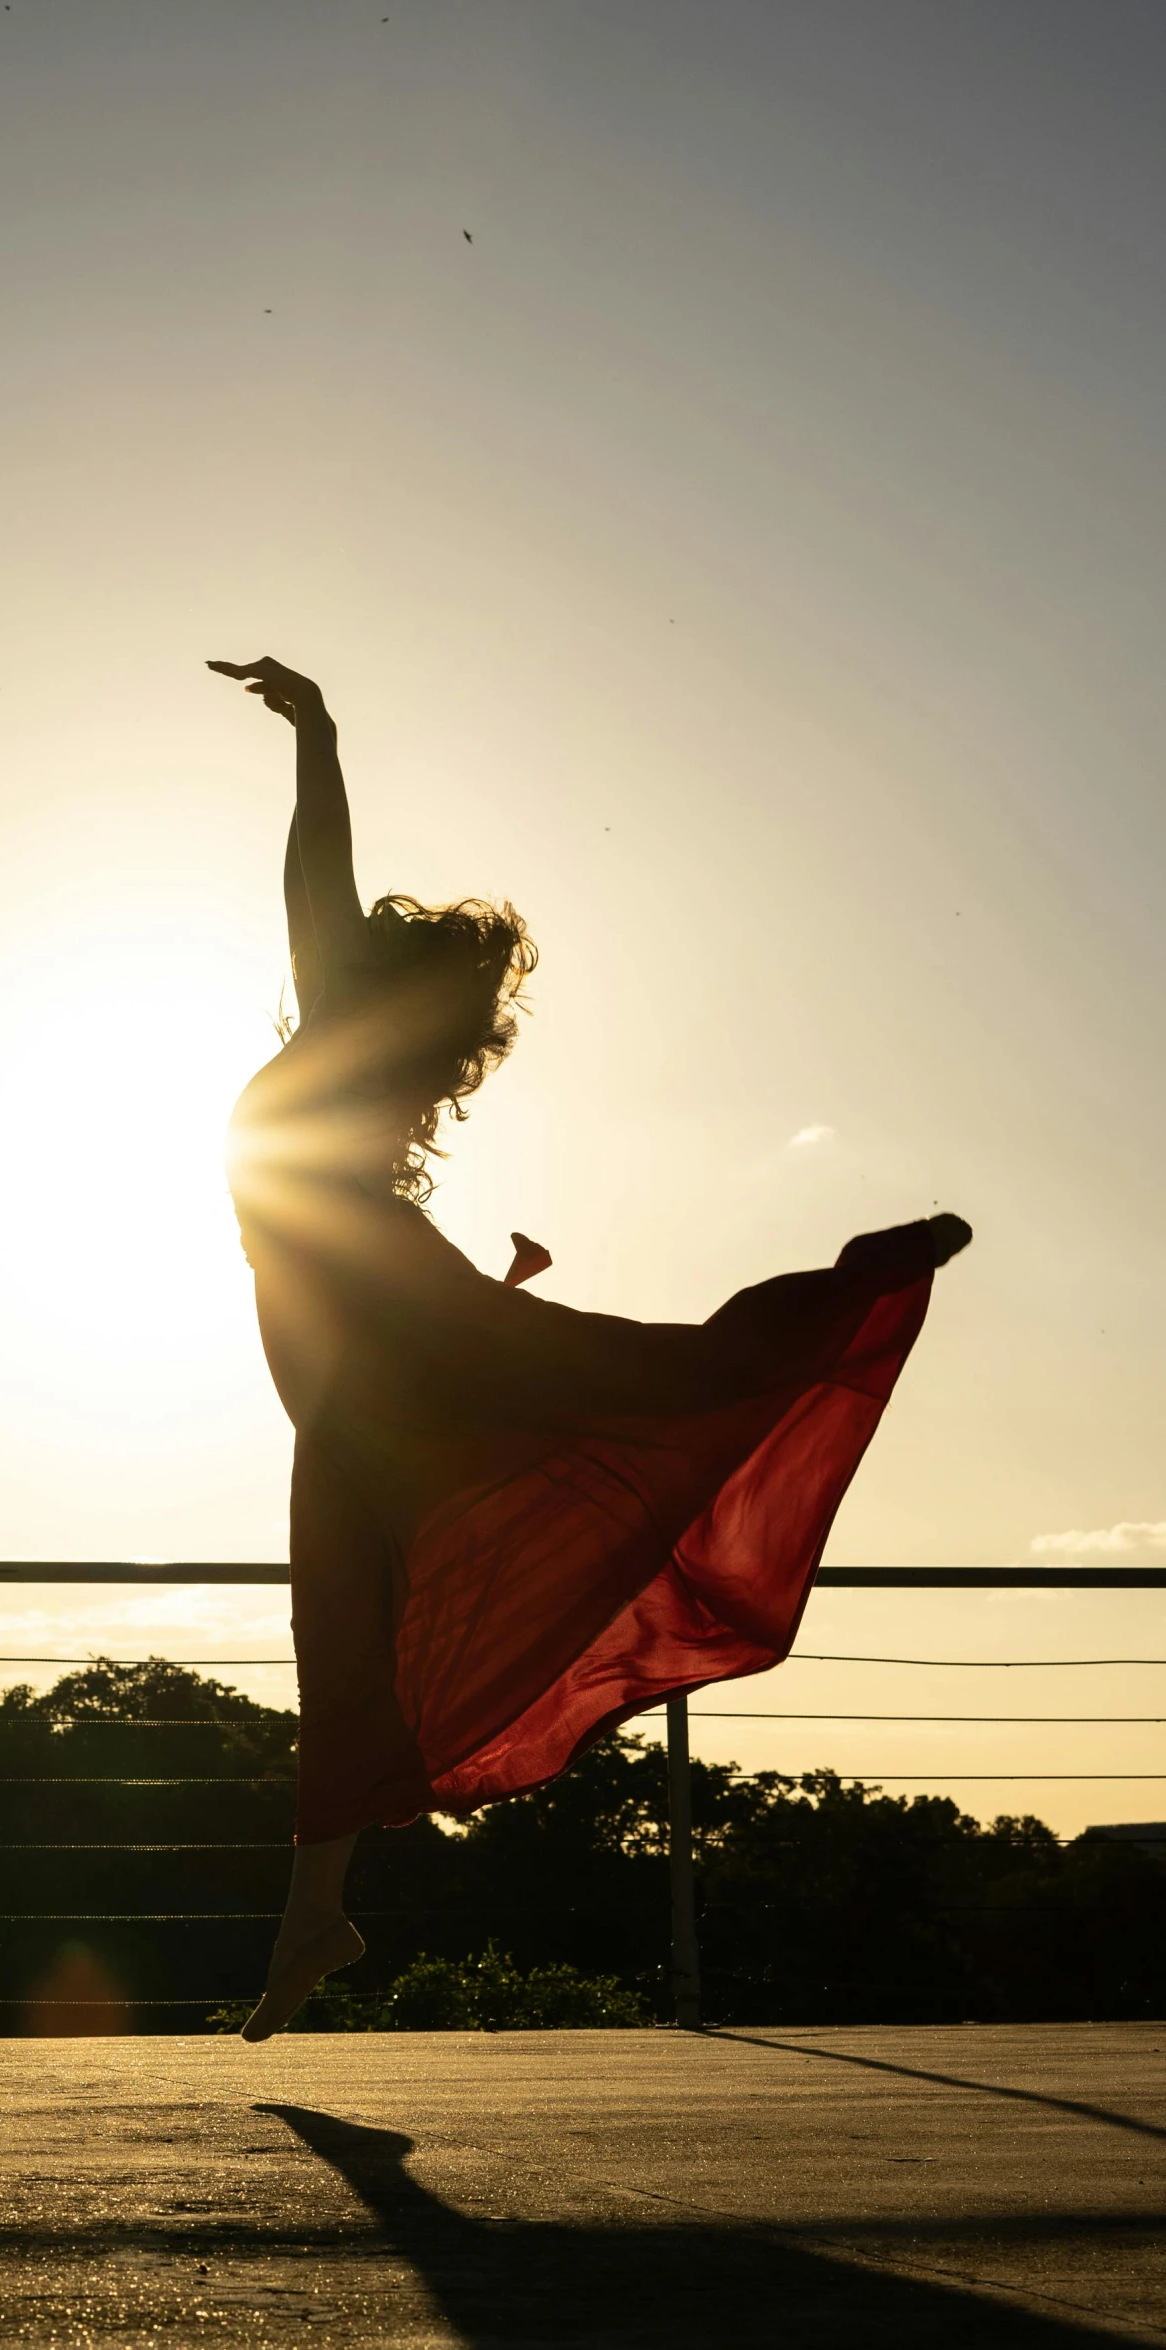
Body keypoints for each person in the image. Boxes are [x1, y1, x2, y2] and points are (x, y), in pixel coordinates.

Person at [210, 654, 972, 2042]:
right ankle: (312, 1920)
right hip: (348, 1333)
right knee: (348, 1606)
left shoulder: (340, 1031)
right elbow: (312, 881)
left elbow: (311, 879)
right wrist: (316, 732)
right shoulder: (347, 1046)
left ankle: (862, 1281)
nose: (342, 940)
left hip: (381, 1313)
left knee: (611, 1393)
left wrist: (319, 739)